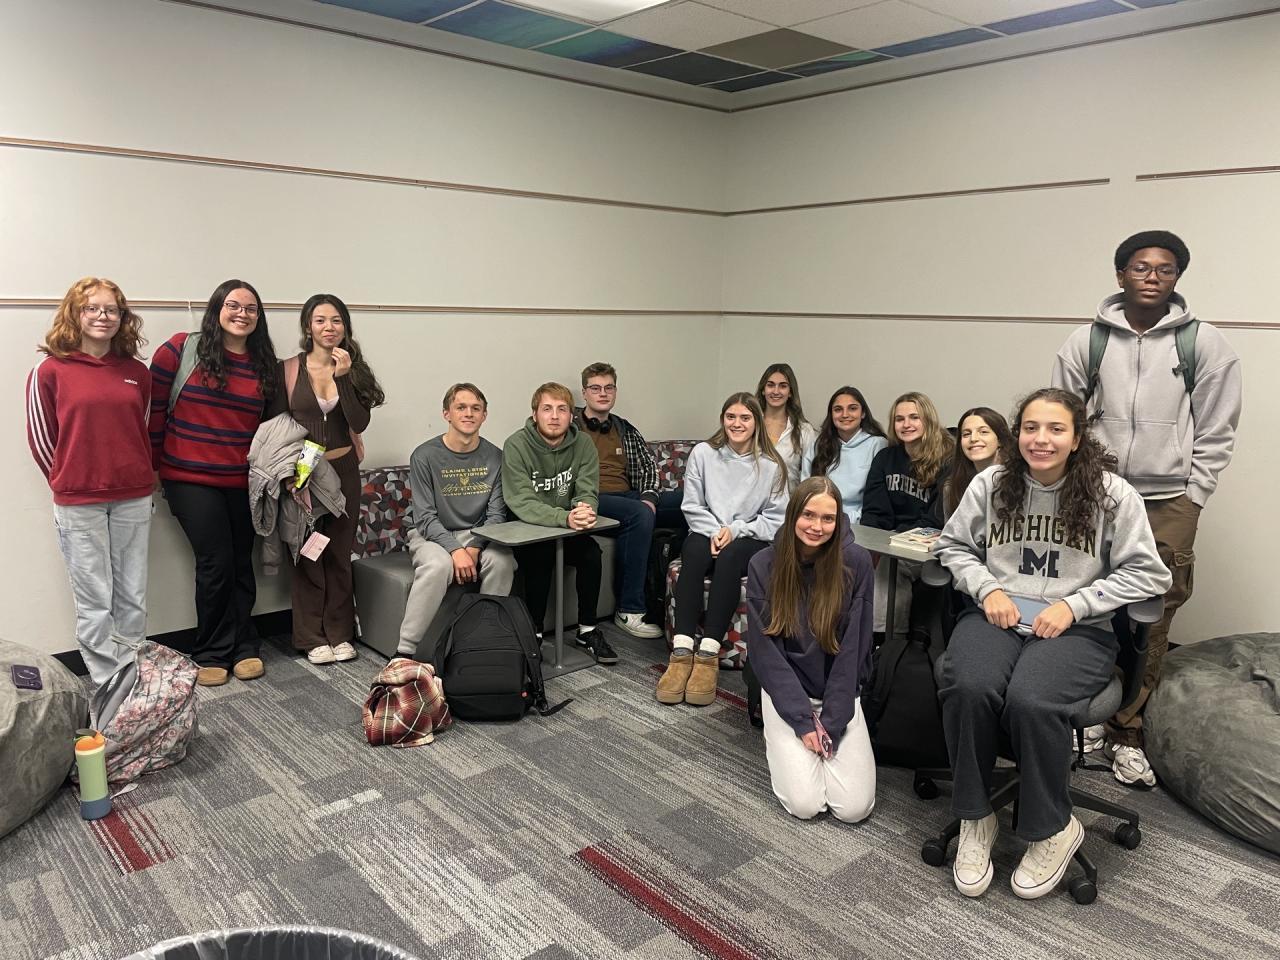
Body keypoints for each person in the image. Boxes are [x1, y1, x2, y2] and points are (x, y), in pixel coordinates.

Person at [934, 388, 1170, 900]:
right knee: (968, 684)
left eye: (1056, 429)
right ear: (1016, 435)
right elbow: (952, 546)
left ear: (1077, 438)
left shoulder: (1112, 495)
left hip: (1078, 627)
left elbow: (1150, 574)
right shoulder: (991, 483)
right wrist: (988, 588)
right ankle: (976, 815)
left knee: (1032, 699)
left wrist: (1076, 604)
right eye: (1031, 428)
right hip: (997, 614)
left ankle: (1054, 827)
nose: (1041, 439)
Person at [1051, 230, 1242, 787]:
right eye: (1140, 267)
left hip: (1169, 498)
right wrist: (1072, 484)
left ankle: (1127, 728)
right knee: (1083, 599)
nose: (1152, 276)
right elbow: (1062, 418)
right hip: (1096, 494)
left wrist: (1195, 493)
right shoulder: (1086, 341)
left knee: (1151, 615)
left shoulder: (1203, 344)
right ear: (1121, 276)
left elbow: (1218, 427)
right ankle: (1085, 710)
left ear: (1177, 277)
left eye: (1164, 269)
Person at [150, 279, 279, 687]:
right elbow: (153, 412)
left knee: (241, 560)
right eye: (233, 305)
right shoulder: (180, 350)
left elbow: (270, 427)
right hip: (188, 477)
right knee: (216, 562)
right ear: (217, 309)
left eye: (251, 309)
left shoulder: (263, 364)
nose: (242, 314)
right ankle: (210, 651)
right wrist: (152, 468)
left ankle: (244, 646)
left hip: (242, 480)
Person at [26, 278, 153, 689]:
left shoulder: (136, 372)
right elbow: (42, 438)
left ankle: (132, 676)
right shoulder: (50, 370)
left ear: (122, 317)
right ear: (75, 314)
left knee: (132, 594)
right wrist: (69, 479)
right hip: (79, 502)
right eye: (92, 308)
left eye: (112, 309)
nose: (103, 316)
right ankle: (107, 682)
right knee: (94, 600)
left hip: (133, 497)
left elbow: (141, 429)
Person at [746, 476, 877, 823]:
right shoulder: (763, 564)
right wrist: (803, 722)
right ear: (793, 515)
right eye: (808, 515)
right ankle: (788, 742)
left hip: (838, 691)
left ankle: (823, 742)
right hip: (788, 691)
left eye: (828, 518)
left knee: (854, 809)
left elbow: (854, 651)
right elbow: (766, 654)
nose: (817, 527)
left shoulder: (857, 562)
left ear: (838, 521)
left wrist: (831, 723)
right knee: (805, 805)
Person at [267, 294, 383, 665]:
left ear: (344, 327)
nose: (328, 327)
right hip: (303, 467)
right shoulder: (287, 370)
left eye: (336, 320)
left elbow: (359, 421)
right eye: (320, 320)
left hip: (344, 467)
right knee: (306, 551)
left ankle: (340, 632)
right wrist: (288, 473)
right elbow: (276, 425)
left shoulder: (353, 368)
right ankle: (311, 636)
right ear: (308, 326)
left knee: (337, 552)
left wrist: (344, 378)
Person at [657, 393, 787, 707]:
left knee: (729, 558)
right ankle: (682, 651)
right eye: (731, 417)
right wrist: (716, 531)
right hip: (706, 529)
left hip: (749, 535)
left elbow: (775, 519)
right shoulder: (704, 453)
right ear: (722, 419)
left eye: (745, 418)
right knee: (694, 553)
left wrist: (735, 531)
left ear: (756, 422)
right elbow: (692, 505)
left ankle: (708, 654)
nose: (737, 424)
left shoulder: (772, 465)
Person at [397, 383, 514, 658]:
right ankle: (404, 653)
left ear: (484, 415)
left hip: (479, 533)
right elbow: (425, 517)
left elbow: (497, 515)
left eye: (476, 408)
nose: (468, 413)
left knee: (502, 562)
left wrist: (473, 547)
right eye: (461, 407)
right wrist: (455, 550)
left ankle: (481, 643)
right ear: (446, 414)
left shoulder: (496, 457)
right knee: (438, 566)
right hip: (431, 534)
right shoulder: (424, 455)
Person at [502, 382, 611, 663]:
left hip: (567, 526)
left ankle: (587, 630)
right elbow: (521, 501)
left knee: (591, 554)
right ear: (535, 414)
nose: (554, 416)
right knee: (540, 556)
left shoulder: (583, 444)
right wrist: (564, 518)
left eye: (562, 409)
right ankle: (534, 634)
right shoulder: (516, 445)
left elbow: (587, 488)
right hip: (530, 528)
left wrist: (585, 509)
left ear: (571, 415)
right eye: (547, 409)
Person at [576, 362, 684, 640]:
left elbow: (648, 470)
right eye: (595, 388)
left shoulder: (624, 429)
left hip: (628, 497)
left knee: (689, 503)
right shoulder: (571, 427)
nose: (603, 393)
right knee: (639, 514)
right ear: (584, 392)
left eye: (608, 387)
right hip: (592, 499)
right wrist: (643, 508)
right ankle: (629, 610)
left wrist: (648, 497)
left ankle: (677, 591)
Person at [861, 391, 951, 640]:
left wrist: (894, 541)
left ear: (928, 420)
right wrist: (871, 544)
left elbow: (936, 519)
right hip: (889, 539)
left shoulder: (947, 460)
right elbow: (874, 511)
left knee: (890, 566)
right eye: (899, 419)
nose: (906, 424)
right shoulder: (885, 458)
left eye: (914, 417)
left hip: (926, 544)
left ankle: (887, 642)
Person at [801, 386, 888, 525]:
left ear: (863, 413)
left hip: (863, 523)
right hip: (822, 521)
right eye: (838, 409)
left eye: (852, 408)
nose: (845, 414)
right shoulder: (818, 445)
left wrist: (850, 520)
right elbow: (805, 489)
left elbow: (878, 499)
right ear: (831, 415)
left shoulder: (878, 444)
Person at [941, 407, 1012, 520]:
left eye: (983, 432)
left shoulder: (1017, 481)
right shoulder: (952, 487)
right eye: (966, 434)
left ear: (999, 440)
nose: (973, 439)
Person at [756, 363, 816, 491]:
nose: (776, 391)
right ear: (763, 390)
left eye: (783, 386)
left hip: (789, 501)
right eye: (770, 385)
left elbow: (809, 477)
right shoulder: (750, 425)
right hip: (752, 500)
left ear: (790, 393)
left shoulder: (804, 431)